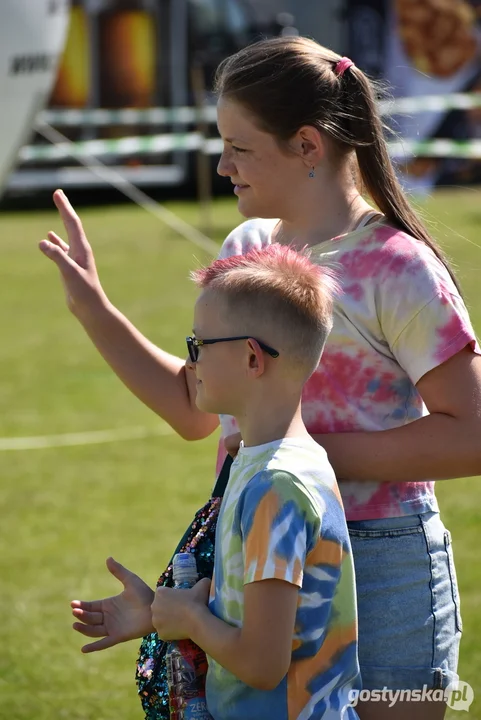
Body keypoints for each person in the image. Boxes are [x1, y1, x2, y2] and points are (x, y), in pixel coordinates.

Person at [39, 37, 481, 720]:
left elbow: (472, 435)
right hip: (258, 556)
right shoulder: (246, 251)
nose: (221, 165)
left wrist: (295, 462)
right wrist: (94, 311)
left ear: (307, 146)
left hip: (383, 568)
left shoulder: (398, 267)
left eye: (239, 148)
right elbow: (195, 410)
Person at [75, 244, 362, 720]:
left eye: (199, 346)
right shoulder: (271, 463)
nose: (190, 363)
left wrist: (189, 618)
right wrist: (160, 613)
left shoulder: (278, 485)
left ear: (252, 359)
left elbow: (262, 663)